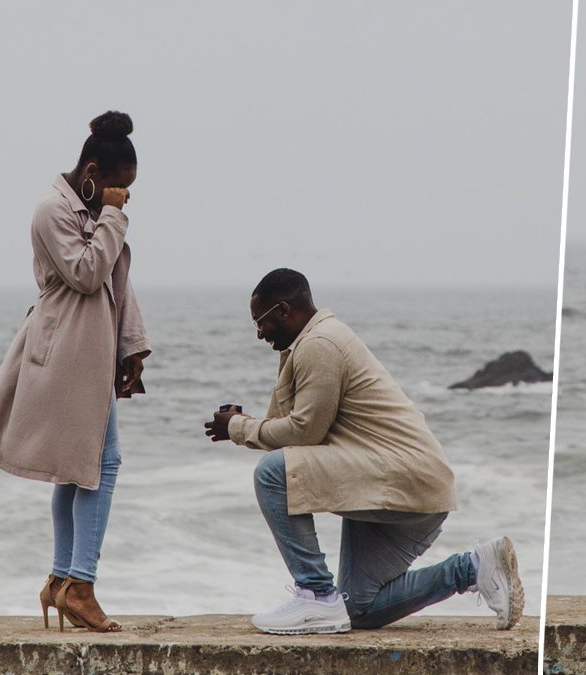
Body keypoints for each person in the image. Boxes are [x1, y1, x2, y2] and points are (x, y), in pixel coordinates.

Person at [204, 269, 524, 633]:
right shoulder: (313, 342)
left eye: (259, 323)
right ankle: (476, 567)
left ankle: (316, 595)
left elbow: (304, 433)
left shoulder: (320, 344)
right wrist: (243, 423)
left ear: (283, 310)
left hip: (401, 478)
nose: (259, 333)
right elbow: (297, 427)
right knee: (360, 610)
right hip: (400, 481)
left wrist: (238, 427)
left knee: (272, 472)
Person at [0, 111, 148, 633]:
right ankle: (79, 585)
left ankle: (60, 580)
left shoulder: (94, 208)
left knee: (81, 464)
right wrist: (113, 217)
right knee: (101, 463)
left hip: (92, 349)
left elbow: (119, 281)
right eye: (118, 185)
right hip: (64, 348)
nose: (124, 196)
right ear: (92, 170)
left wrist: (131, 347)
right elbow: (88, 274)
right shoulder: (53, 209)